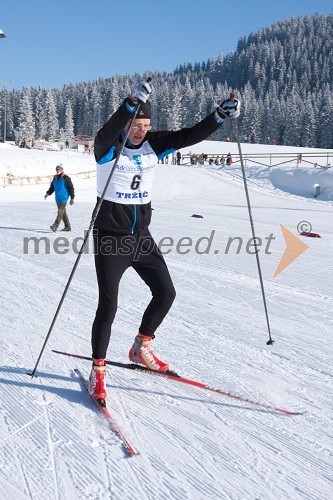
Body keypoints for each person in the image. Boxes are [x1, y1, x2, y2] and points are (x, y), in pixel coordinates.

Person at [88, 79, 240, 404]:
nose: (141, 131)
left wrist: (219, 116)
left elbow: (189, 135)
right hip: (110, 240)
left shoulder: (153, 146)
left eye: (146, 125)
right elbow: (105, 132)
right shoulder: (108, 148)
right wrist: (129, 103)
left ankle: (141, 346)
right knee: (108, 305)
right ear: (126, 124)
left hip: (141, 238)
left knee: (166, 292)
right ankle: (97, 373)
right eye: (135, 125)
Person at [44, 164, 75, 232]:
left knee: (60, 211)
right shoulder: (55, 178)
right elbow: (52, 188)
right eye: (57, 169)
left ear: (62, 170)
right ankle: (67, 227)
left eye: (59, 169)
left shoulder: (66, 178)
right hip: (58, 198)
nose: (58, 170)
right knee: (63, 213)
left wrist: (72, 198)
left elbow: (71, 188)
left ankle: (55, 225)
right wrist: (47, 194)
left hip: (64, 198)